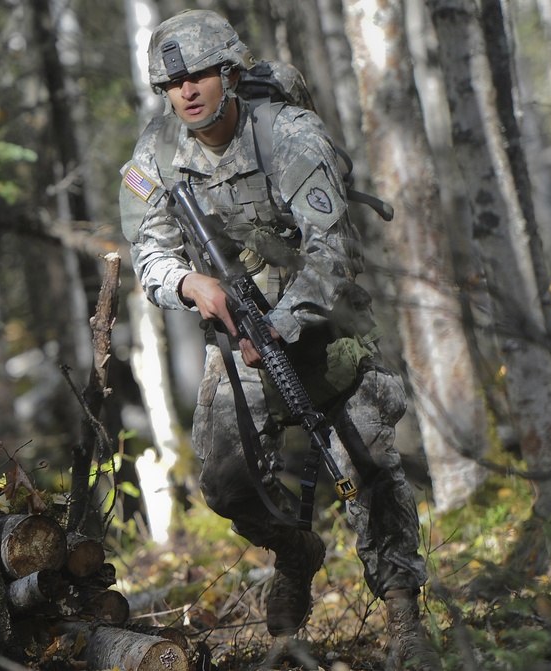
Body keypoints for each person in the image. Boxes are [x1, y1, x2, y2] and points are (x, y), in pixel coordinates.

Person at [119, 9, 440, 670]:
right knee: (227, 484)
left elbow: (330, 256)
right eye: (173, 85)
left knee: (369, 463)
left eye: (202, 75)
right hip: (238, 334)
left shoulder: (290, 136)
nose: (188, 92)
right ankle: (297, 552)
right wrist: (188, 283)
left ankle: (405, 616)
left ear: (230, 73)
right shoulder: (155, 155)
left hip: (328, 321)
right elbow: (148, 252)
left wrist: (282, 329)